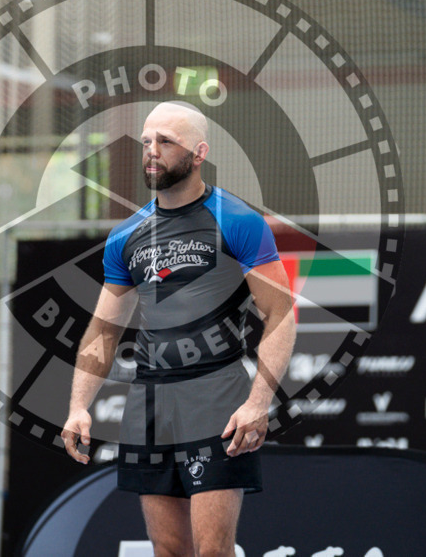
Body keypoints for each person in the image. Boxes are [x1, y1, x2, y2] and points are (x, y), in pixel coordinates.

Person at [61, 101, 296, 557]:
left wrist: (258, 403)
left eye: (166, 141)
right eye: (146, 141)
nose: (152, 150)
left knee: (212, 552)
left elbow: (281, 317)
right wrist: (78, 406)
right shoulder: (125, 235)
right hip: (149, 403)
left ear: (199, 152)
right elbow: (103, 330)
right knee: (169, 552)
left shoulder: (238, 220)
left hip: (215, 397)